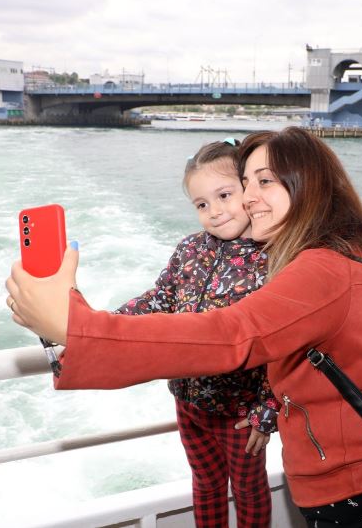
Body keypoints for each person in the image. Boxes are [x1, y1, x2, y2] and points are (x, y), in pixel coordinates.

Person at [6, 126, 362, 527]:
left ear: (309, 184)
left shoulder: (318, 270)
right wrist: (83, 328)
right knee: (207, 482)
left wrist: (74, 326)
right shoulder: (343, 254)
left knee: (247, 490)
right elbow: (166, 305)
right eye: (246, 183)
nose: (248, 199)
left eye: (264, 181)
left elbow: (229, 336)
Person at [112, 138, 279, 528]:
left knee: (249, 490)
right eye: (202, 204)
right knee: (205, 484)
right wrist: (102, 324)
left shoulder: (273, 259)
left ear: (247, 190)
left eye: (224, 196)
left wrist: (267, 411)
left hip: (241, 411)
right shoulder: (189, 249)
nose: (215, 212)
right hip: (188, 402)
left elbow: (285, 345)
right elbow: (160, 299)